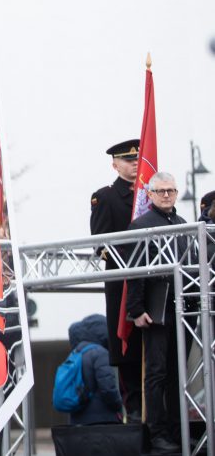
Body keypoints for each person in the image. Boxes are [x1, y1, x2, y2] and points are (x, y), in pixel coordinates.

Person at [126, 172, 185, 455]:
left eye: (171, 190)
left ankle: (178, 431)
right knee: (156, 373)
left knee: (178, 374)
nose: (166, 195)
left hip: (183, 309)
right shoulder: (141, 225)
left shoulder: (184, 224)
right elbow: (134, 273)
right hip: (156, 309)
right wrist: (136, 310)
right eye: (160, 191)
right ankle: (157, 433)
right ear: (149, 195)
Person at [89, 138, 142, 420]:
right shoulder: (105, 197)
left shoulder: (150, 194)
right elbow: (101, 244)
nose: (134, 163)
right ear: (115, 164)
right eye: (127, 160)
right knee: (129, 359)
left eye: (137, 158)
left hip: (153, 286)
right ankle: (135, 419)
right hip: (123, 288)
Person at [65, 314, 123, 425]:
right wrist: (119, 405)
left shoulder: (74, 355)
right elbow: (108, 389)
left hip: (77, 419)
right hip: (102, 420)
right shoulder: (100, 354)